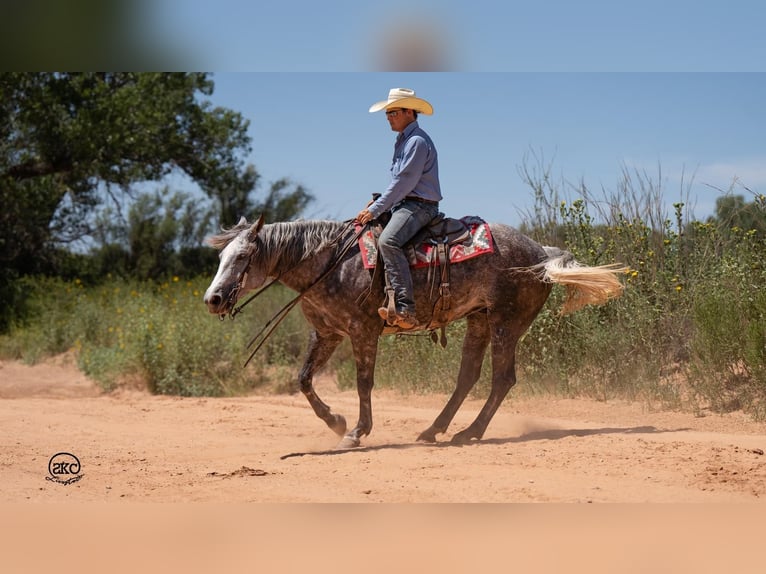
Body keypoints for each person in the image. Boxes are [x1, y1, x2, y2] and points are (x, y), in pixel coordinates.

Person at [356, 88, 442, 329]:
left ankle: (405, 308)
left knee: (387, 241)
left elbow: (404, 182)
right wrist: (379, 201)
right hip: (405, 204)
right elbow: (398, 184)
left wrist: (376, 209)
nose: (388, 116)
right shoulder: (404, 141)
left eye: (392, 112)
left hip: (419, 206)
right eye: (387, 112)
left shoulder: (416, 141)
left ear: (408, 112)